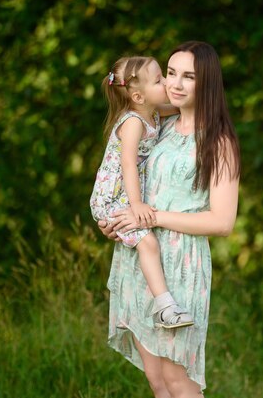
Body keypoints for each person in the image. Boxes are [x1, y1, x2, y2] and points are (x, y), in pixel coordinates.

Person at [97, 41, 240, 397]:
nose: (175, 83)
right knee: (158, 382)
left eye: (188, 76)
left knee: (180, 381)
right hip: (141, 260)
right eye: (170, 73)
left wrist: (153, 217)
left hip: (181, 264)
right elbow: (129, 177)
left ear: (207, 82)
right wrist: (117, 221)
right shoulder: (159, 125)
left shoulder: (218, 142)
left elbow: (222, 222)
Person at [90, 55, 194, 329]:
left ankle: (140, 306)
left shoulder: (154, 112)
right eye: (160, 80)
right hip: (112, 196)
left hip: (125, 195)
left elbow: (184, 109)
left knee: (143, 243)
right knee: (147, 243)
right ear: (138, 96)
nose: (166, 83)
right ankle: (165, 308)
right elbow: (127, 162)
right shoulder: (133, 121)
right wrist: (135, 204)